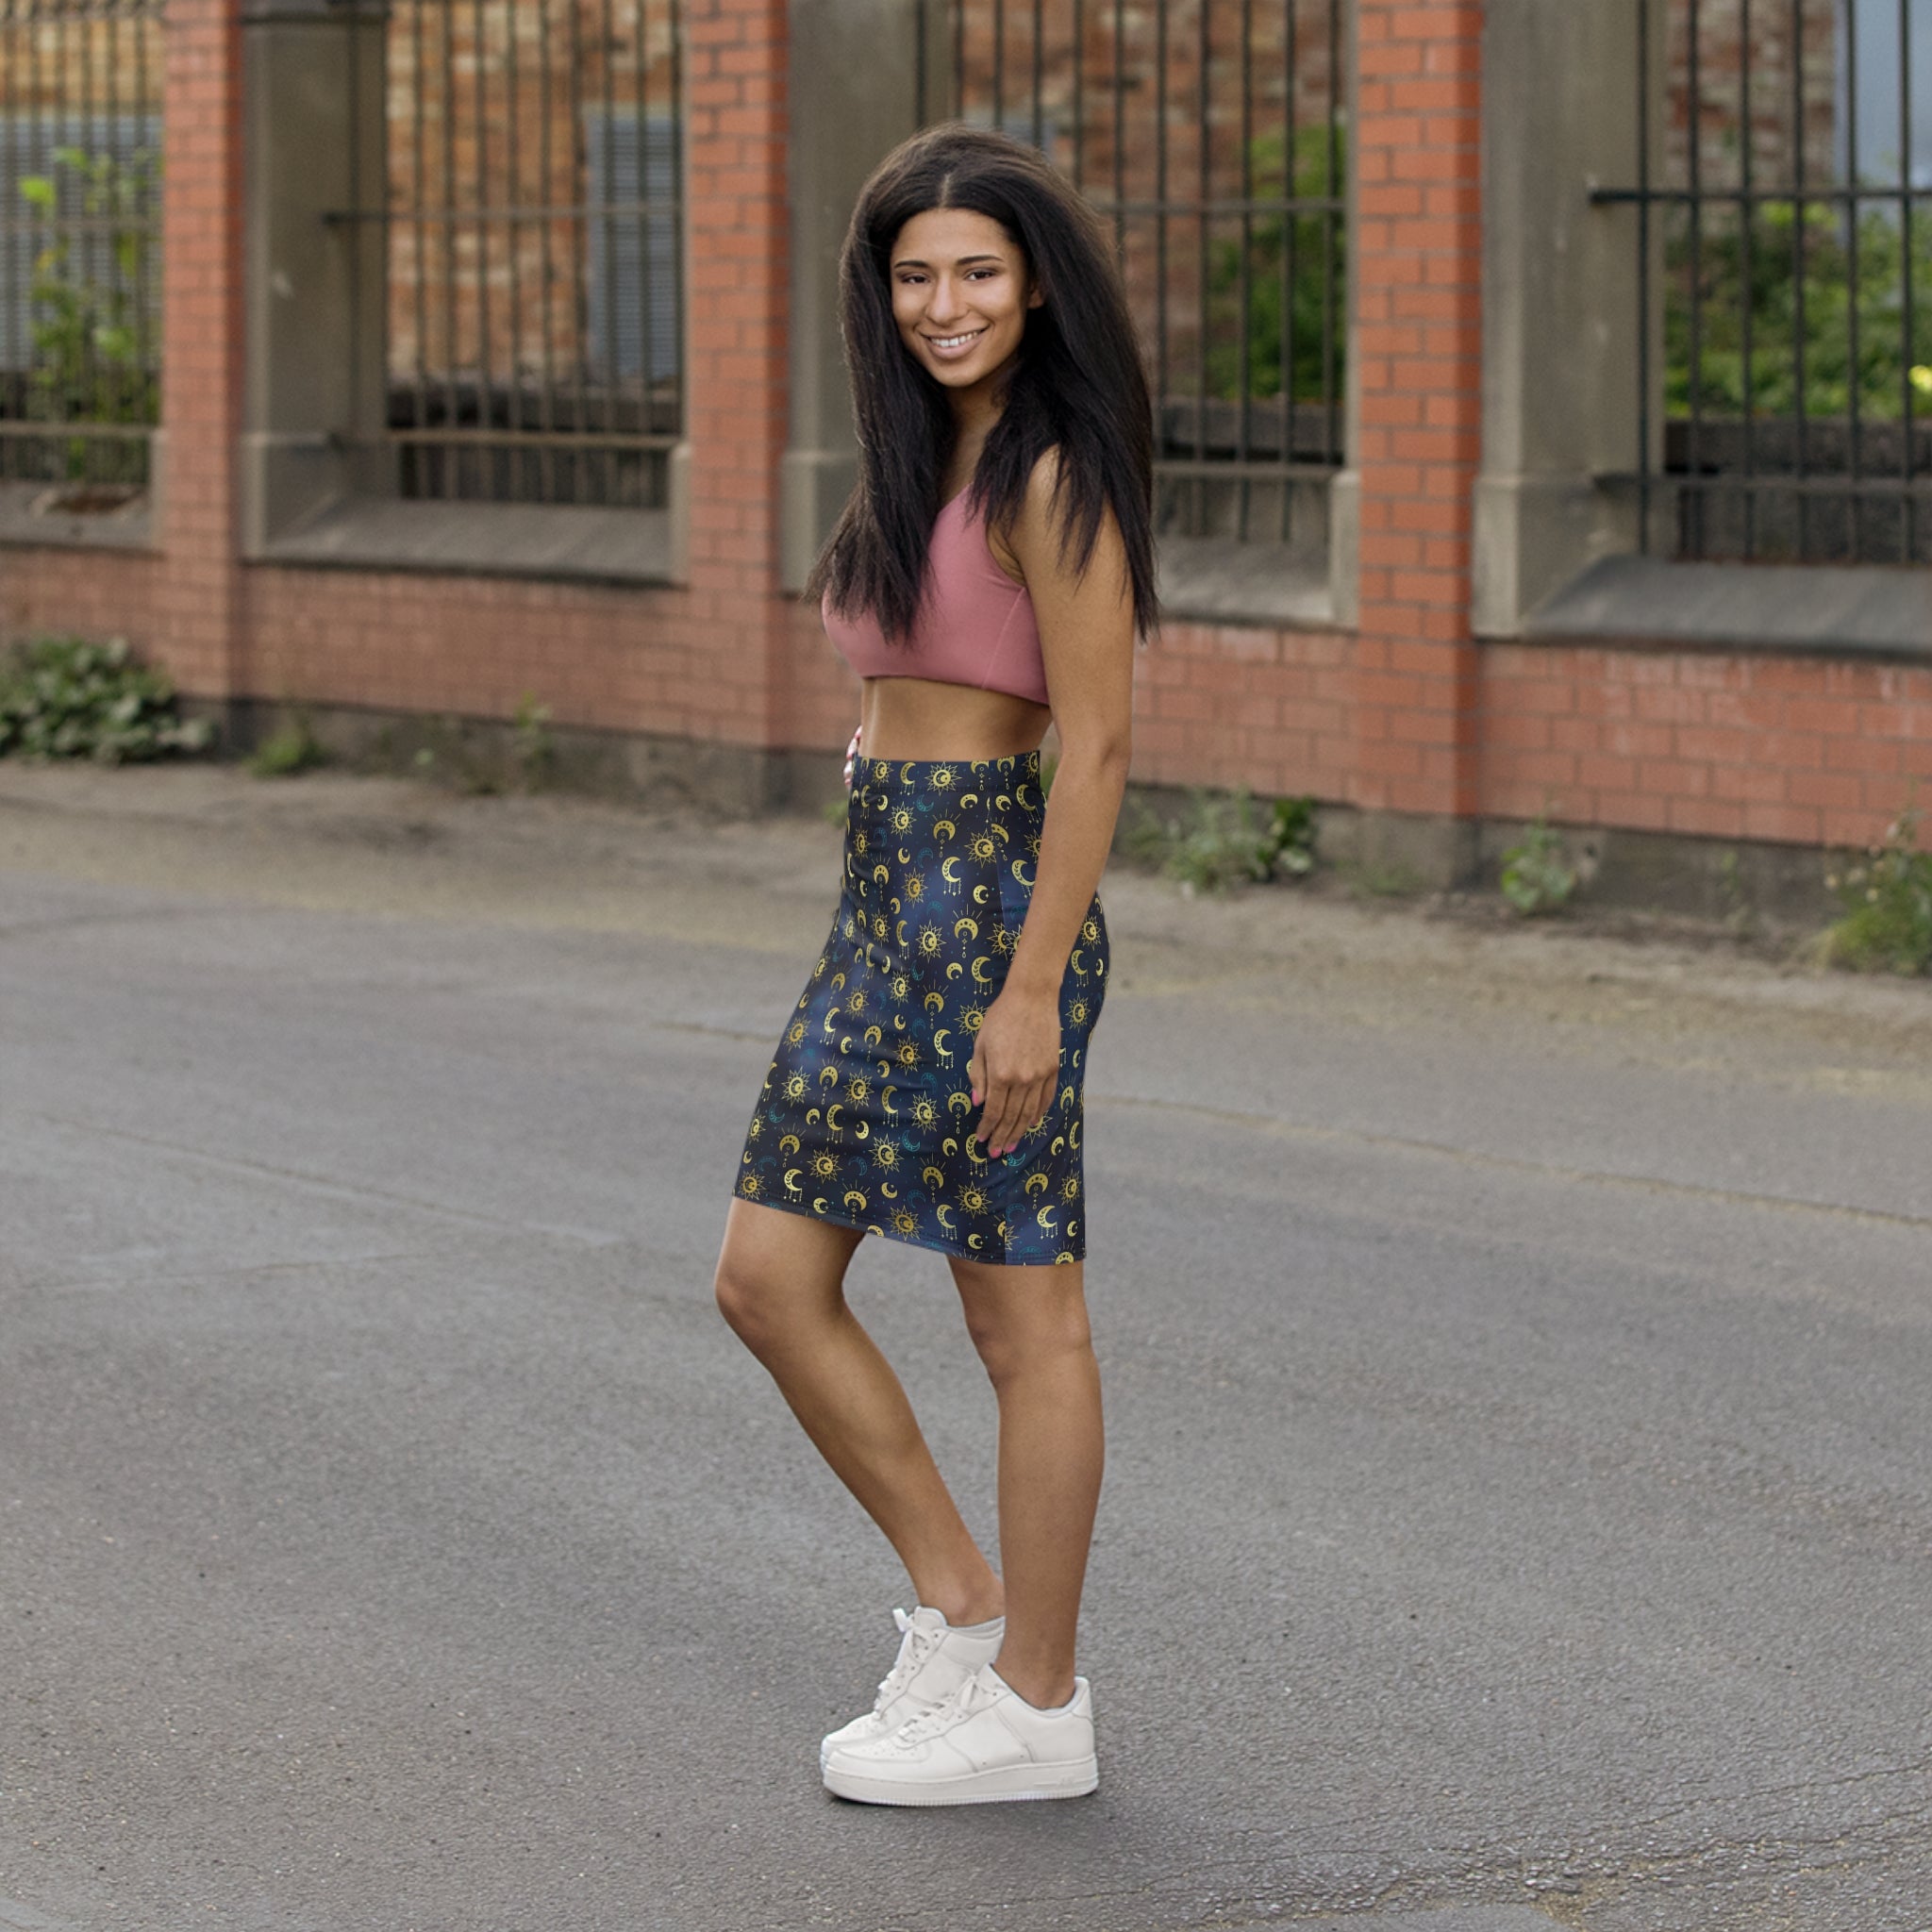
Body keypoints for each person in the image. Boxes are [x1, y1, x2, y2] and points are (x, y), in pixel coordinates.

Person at [712, 123, 1157, 1807]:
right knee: (766, 1278)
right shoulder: (921, 458)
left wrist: (1031, 988)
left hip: (987, 918)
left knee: (1022, 1317)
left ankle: (1038, 1704)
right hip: (883, 907)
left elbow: (1097, 745)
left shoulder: (1052, 472)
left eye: (978, 271)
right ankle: (962, 1610)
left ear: (1035, 286)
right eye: (915, 275)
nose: (945, 303)